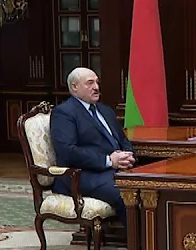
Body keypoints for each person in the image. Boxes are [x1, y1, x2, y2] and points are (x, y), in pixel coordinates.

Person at [50, 67, 136, 222]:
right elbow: (68, 152)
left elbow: (123, 140)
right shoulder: (64, 113)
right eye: (90, 83)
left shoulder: (105, 110)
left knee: (150, 189)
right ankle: (135, 237)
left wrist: (128, 156)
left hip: (115, 171)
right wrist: (108, 161)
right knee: (126, 195)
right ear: (74, 87)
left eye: (97, 82)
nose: (96, 87)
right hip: (83, 175)